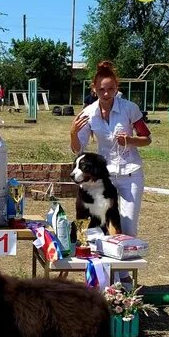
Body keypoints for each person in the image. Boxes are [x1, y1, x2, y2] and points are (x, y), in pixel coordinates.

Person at [70, 61, 152, 289]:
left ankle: (124, 279)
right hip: (105, 179)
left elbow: (147, 138)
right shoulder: (88, 113)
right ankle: (109, 279)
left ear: (117, 88)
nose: (106, 94)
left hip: (130, 174)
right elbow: (79, 149)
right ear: (94, 89)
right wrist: (73, 132)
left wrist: (131, 140)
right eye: (102, 89)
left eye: (111, 89)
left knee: (128, 226)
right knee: (103, 227)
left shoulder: (129, 108)